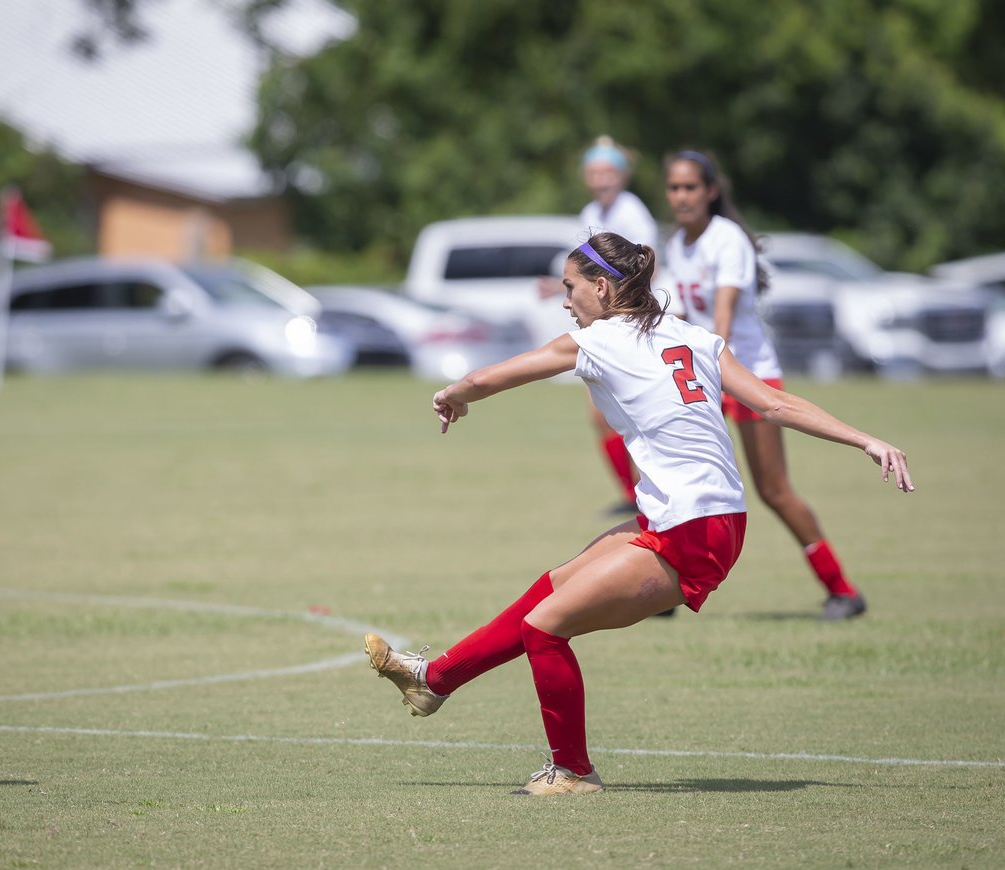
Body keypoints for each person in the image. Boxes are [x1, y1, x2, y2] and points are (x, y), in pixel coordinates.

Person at [365, 231, 913, 796]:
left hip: (692, 529)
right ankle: (433, 679)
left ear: (602, 287)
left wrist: (452, 393)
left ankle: (573, 772)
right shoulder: (696, 338)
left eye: (571, 287)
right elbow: (775, 403)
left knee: (544, 629)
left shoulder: (596, 341)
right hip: (706, 517)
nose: (565, 300)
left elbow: (488, 378)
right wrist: (865, 439)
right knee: (549, 590)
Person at [661, 150, 867, 621]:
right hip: (708, 373)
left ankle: (843, 589)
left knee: (773, 490)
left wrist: (706, 378)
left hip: (747, 376)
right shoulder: (678, 244)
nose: (681, 196)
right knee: (677, 477)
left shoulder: (725, 239)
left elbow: (722, 323)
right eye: (673, 188)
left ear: (711, 191)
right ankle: (664, 588)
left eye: (690, 187)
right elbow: (681, 314)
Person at [533, 136, 662, 516]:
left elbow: (639, 269)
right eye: (593, 173)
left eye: (607, 172)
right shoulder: (592, 211)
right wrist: (561, 285)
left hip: (632, 321)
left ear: (621, 175)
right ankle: (635, 494)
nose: (600, 180)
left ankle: (642, 493)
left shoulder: (632, 212)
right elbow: (589, 272)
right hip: (609, 321)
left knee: (626, 412)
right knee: (603, 415)